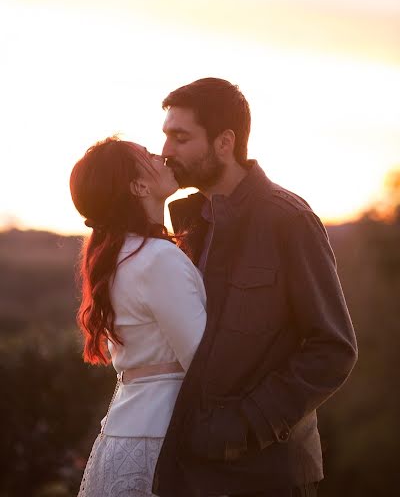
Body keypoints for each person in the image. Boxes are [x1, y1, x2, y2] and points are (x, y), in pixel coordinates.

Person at [152, 78, 358, 497]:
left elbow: (333, 349)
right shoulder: (191, 222)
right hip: (192, 472)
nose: (167, 151)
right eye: (166, 137)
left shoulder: (289, 220)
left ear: (224, 143)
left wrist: (242, 426)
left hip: (269, 476)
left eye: (181, 137)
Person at [69, 136, 206, 497]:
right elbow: (203, 360)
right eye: (147, 155)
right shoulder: (158, 258)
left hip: (125, 427)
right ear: (139, 186)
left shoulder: (117, 256)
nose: (161, 155)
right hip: (162, 436)